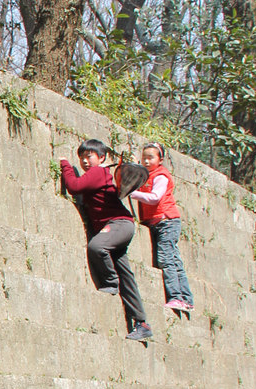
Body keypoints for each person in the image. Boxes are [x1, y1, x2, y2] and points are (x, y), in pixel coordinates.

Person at [59, 139, 153, 344]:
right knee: (126, 274)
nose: (84, 161)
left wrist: (66, 165)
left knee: (96, 246)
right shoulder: (100, 175)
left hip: (118, 224)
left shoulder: (99, 172)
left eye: (89, 156)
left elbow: (74, 186)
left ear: (101, 158)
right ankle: (142, 323)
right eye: (81, 158)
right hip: (120, 227)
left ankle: (110, 282)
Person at [128, 142, 195, 314]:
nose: (147, 161)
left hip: (166, 221)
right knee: (175, 260)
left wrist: (132, 193)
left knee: (166, 259)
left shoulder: (160, 176)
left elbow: (155, 198)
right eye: (144, 158)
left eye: (151, 157)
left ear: (160, 159)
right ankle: (186, 299)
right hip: (158, 222)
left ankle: (176, 297)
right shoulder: (147, 174)